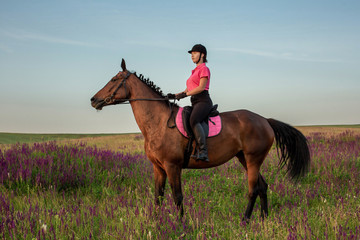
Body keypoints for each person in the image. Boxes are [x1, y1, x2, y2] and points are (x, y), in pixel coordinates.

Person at [168, 44, 213, 162]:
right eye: (191, 54)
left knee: (194, 119)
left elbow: (201, 87)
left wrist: (185, 95)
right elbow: (187, 90)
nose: (192, 55)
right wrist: (175, 96)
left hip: (203, 101)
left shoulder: (204, 69)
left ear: (202, 55)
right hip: (195, 101)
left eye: (195, 53)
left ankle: (203, 151)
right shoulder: (194, 72)